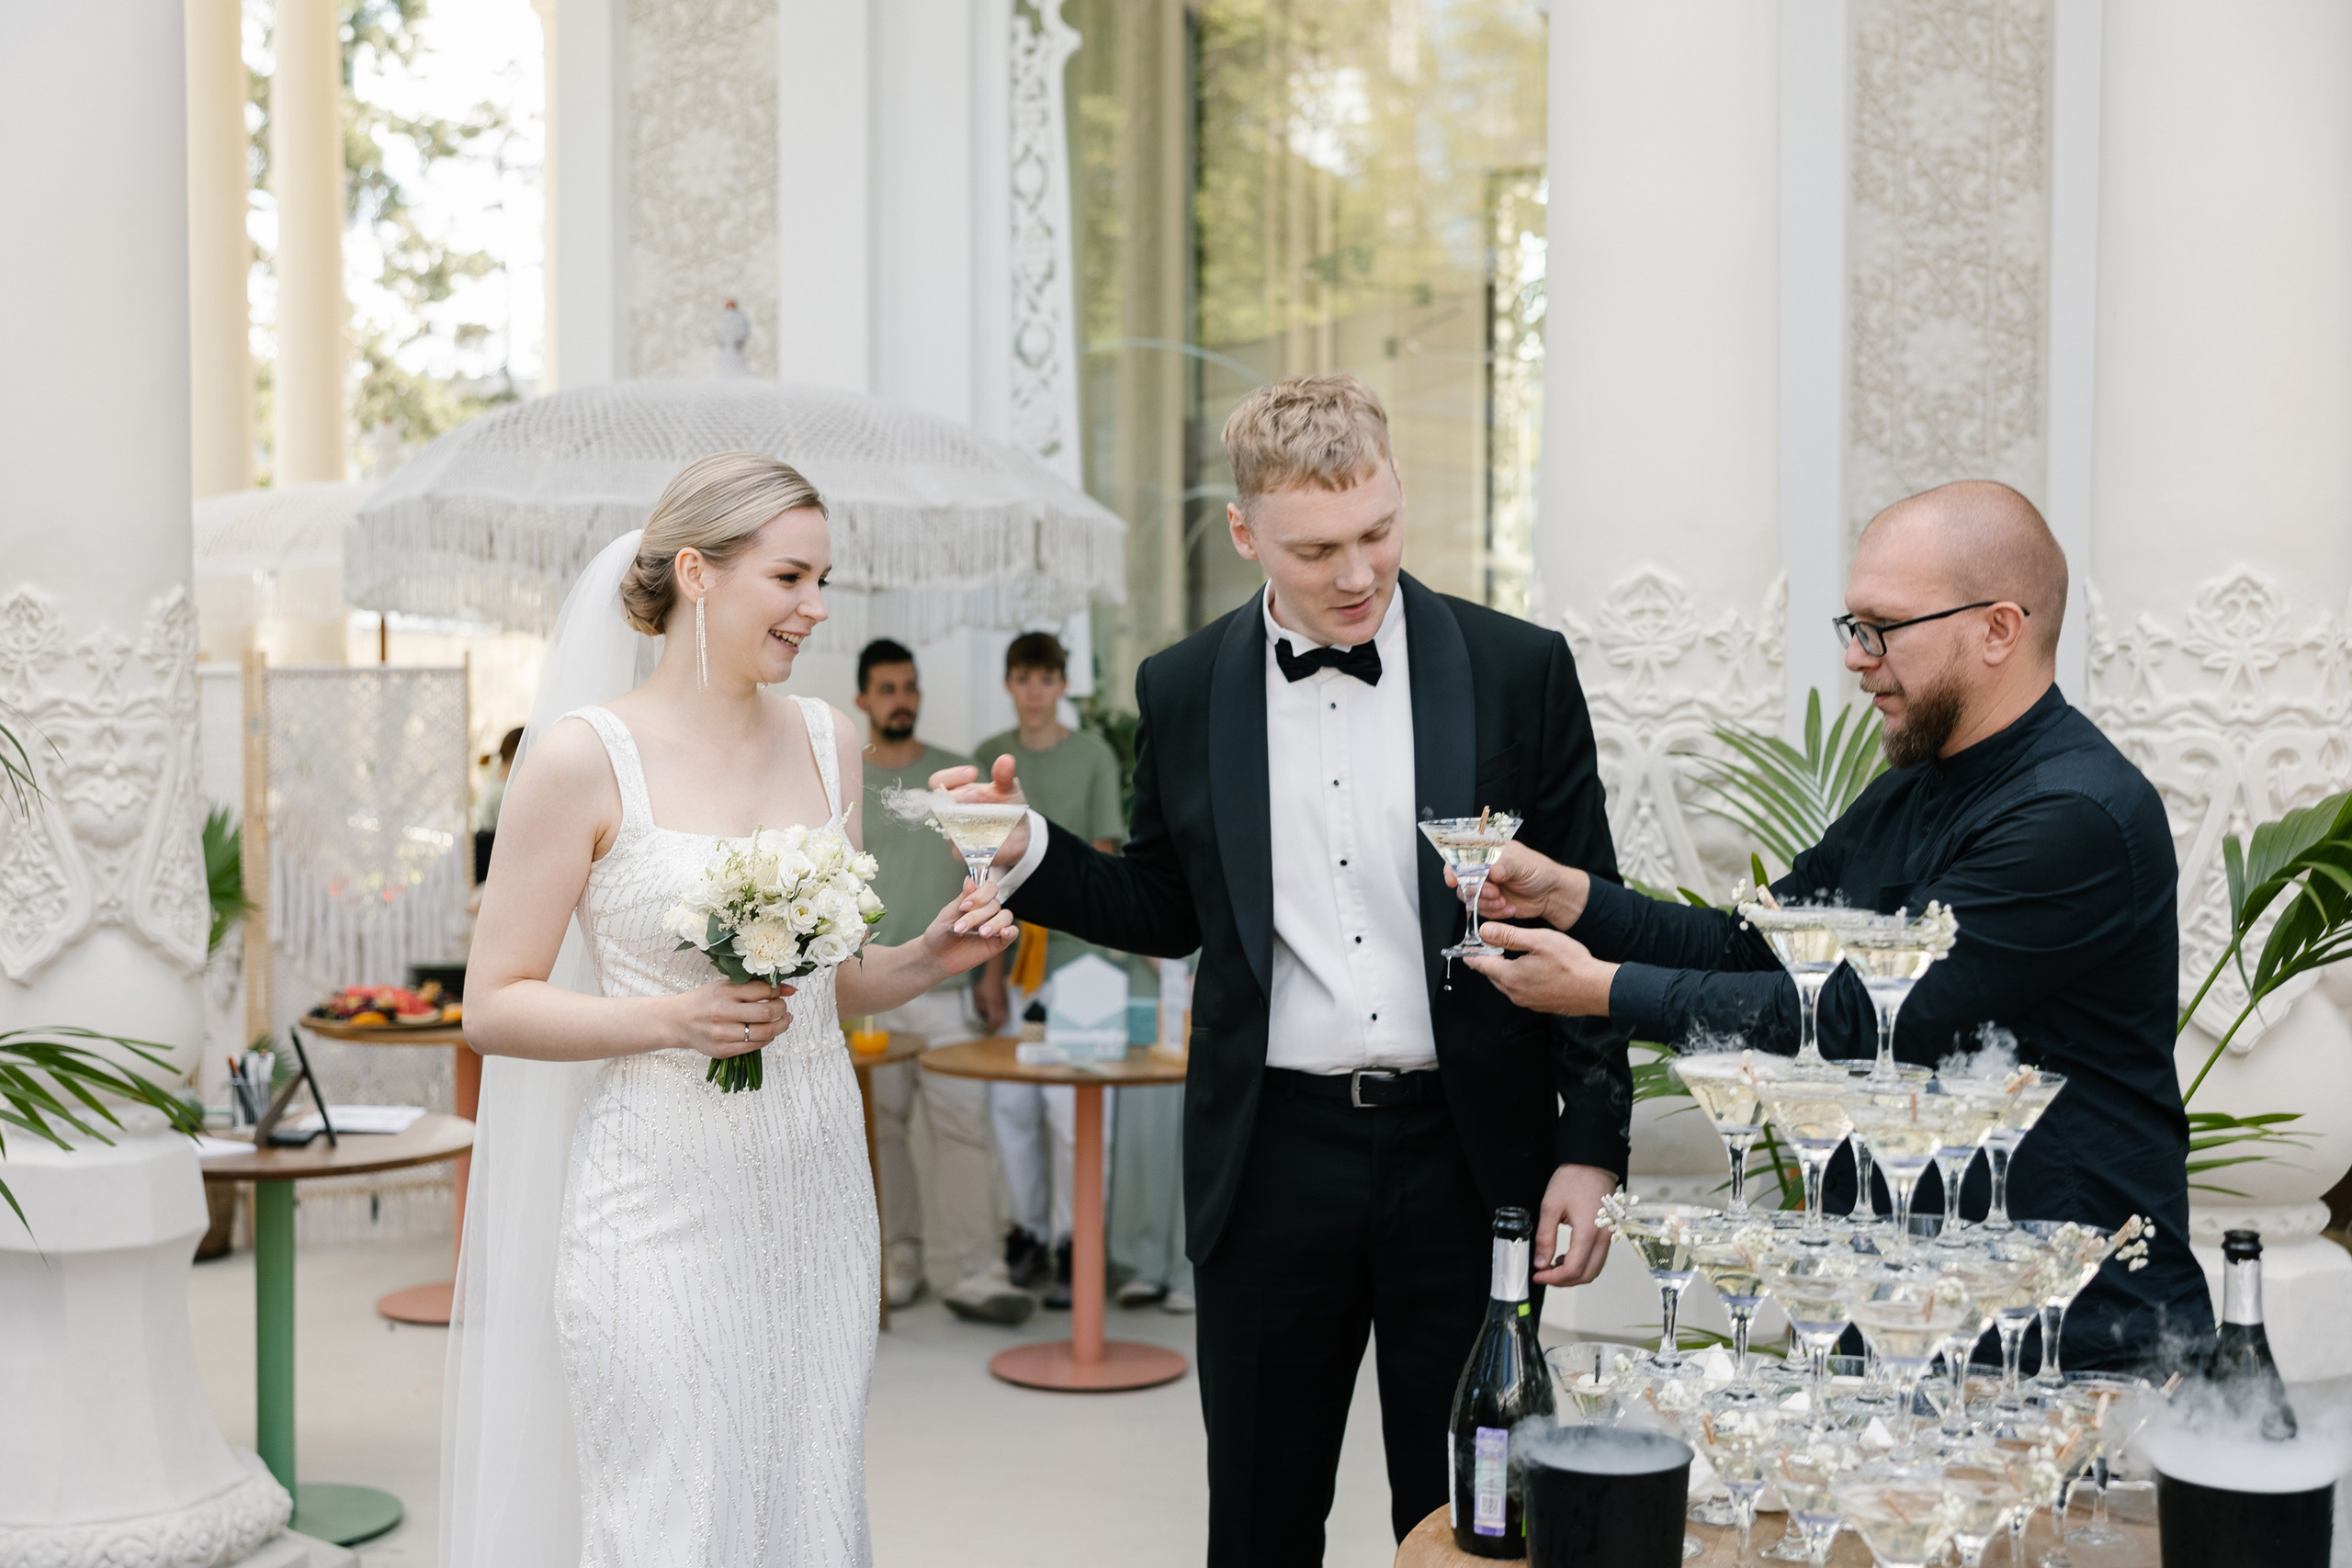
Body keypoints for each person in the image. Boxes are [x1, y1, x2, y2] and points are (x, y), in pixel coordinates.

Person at [937, 375, 1631, 1561]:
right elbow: (1167, 902)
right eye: (1316, 550)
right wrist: (1029, 853)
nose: (1358, 574)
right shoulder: (1182, 685)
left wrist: (1591, 1142)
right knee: (1260, 1517)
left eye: (1378, 531)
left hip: (1470, 1157)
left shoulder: (1519, 668)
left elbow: (1586, 914)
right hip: (1269, 1159)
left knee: (1473, 1520)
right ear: (1245, 532)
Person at [1460, 479, 2214, 1369]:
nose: (1856, 657)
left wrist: (1601, 991)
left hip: (2066, 1328)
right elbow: (1755, 947)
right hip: (1896, 1304)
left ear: (1998, 629)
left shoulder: (2074, 816)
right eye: (1853, 625)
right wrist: (1571, 898)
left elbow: (1858, 1019)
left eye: (1883, 627)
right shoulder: (1908, 789)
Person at [442, 452, 1018, 1568]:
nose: (816, 608)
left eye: (823, 581)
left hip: (817, 1190)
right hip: (657, 1202)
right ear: (696, 575)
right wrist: (672, 1020)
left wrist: (928, 955)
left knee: (809, 1496)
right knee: (676, 1510)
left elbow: (834, 985)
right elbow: (492, 1006)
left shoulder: (827, 739)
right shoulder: (580, 759)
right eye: (790, 578)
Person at [854, 637, 1035, 1325]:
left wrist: (990, 978)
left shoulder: (952, 781)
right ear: (863, 699)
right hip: (871, 990)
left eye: (909, 687)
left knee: (963, 1127)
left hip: (949, 990)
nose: (901, 700)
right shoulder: (846, 779)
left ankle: (982, 1273)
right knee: (885, 1132)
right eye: (887, 689)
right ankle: (900, 1262)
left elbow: (990, 878)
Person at [969, 631, 1125, 1308]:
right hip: (1010, 957)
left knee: (1077, 1112)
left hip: (1082, 961)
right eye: (1023, 678)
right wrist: (986, 973)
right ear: (1009, 684)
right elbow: (979, 867)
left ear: (1063, 684)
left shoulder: (1093, 755)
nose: (1034, 691)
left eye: (1046, 678)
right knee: (1011, 1104)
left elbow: (1103, 858)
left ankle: (1076, 1244)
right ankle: (1028, 1234)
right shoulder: (990, 755)